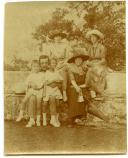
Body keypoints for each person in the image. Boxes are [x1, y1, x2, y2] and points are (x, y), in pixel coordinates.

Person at [67, 50, 109, 127]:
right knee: (74, 92)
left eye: (80, 60)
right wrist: (76, 87)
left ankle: (81, 116)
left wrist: (81, 87)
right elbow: (72, 80)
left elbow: (87, 83)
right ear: (74, 61)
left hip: (83, 86)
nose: (78, 61)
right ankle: (72, 118)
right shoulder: (71, 69)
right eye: (76, 60)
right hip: (73, 86)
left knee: (83, 94)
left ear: (82, 60)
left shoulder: (85, 69)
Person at [16, 60, 46, 127]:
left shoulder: (42, 74)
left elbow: (43, 83)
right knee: (24, 101)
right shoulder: (31, 75)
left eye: (37, 66)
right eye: (34, 66)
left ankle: (37, 120)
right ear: (32, 67)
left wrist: (37, 86)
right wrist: (30, 84)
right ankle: (21, 114)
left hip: (39, 91)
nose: (36, 68)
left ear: (40, 67)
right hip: (32, 90)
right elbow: (26, 83)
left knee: (38, 106)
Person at [85, 29, 108, 98]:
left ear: (98, 38)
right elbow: (87, 58)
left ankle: (97, 91)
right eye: (91, 37)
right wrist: (87, 62)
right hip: (92, 63)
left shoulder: (102, 47)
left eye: (94, 37)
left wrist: (96, 64)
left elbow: (103, 60)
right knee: (85, 68)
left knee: (94, 70)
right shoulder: (90, 47)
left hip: (100, 63)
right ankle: (91, 89)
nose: (93, 39)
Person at [43, 58, 64, 127]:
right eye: (52, 63)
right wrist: (54, 80)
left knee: (58, 103)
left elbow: (61, 80)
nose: (54, 64)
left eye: (55, 63)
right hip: (49, 90)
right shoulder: (47, 72)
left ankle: (56, 118)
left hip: (56, 89)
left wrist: (57, 82)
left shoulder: (56, 71)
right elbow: (47, 83)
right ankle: (52, 119)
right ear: (49, 65)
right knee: (52, 100)